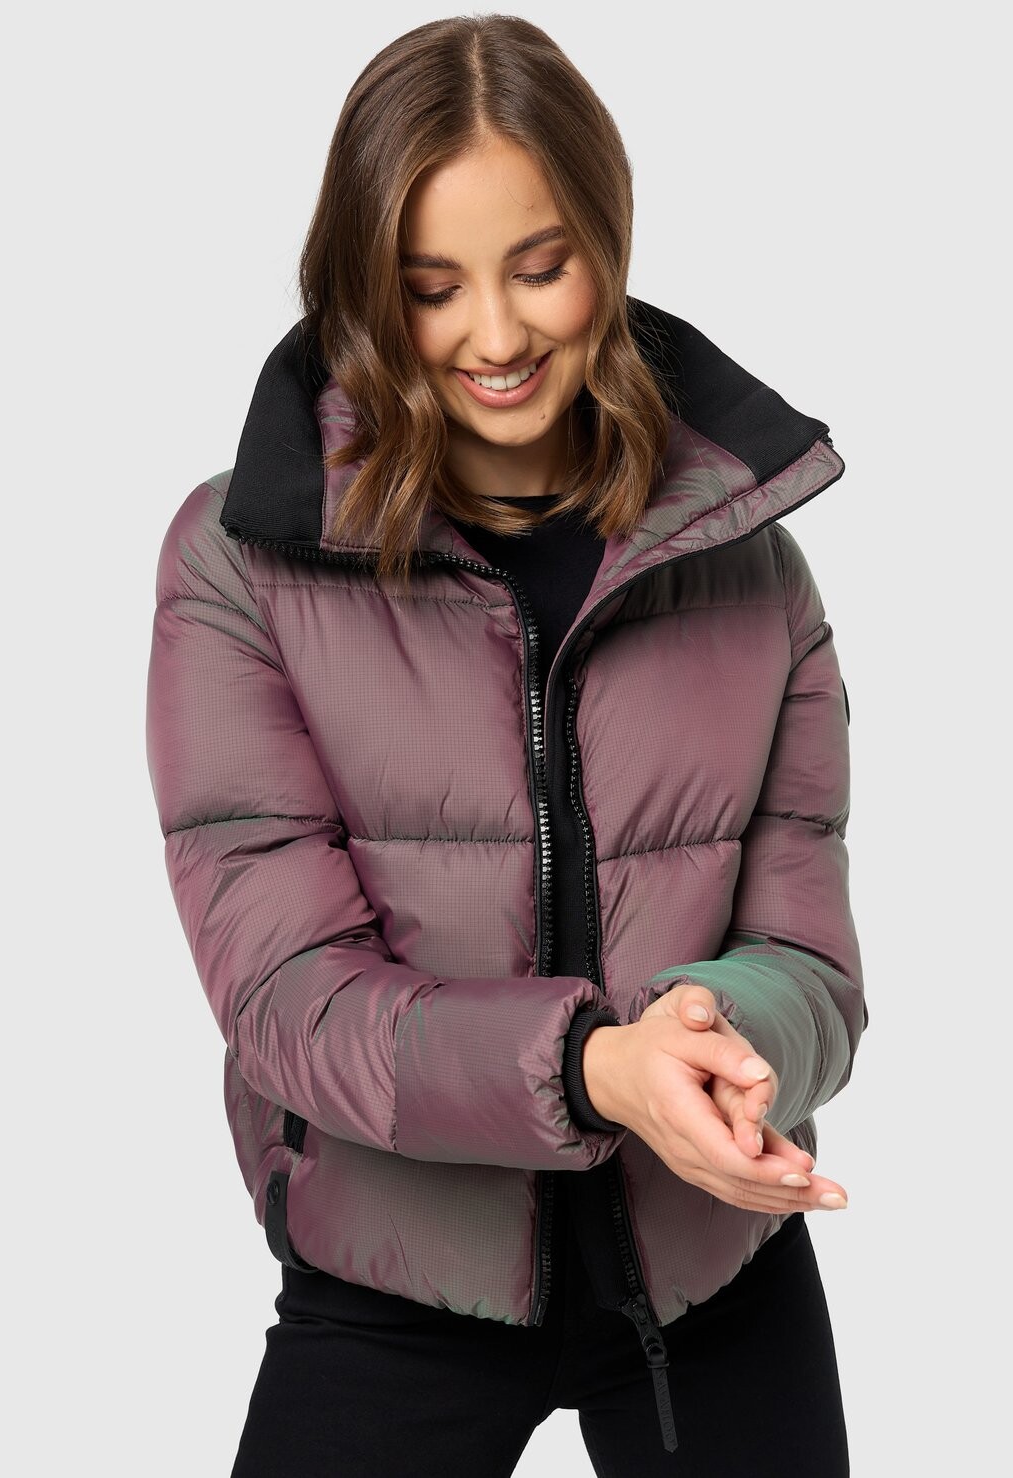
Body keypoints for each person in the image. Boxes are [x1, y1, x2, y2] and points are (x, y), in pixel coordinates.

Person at [145, 14, 867, 1476]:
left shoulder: (749, 562)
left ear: (608, 241)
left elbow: (811, 959)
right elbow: (288, 998)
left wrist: (718, 1040)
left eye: (540, 267)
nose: (493, 336)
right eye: (432, 288)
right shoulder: (240, 565)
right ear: (366, 290)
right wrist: (600, 1067)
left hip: (716, 1273)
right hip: (394, 1280)